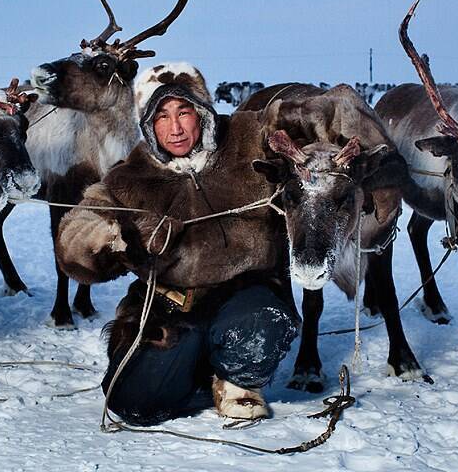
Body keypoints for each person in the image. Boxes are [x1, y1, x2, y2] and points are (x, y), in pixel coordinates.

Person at [56, 63, 299, 426]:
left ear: (201, 111)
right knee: (133, 404)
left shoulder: (248, 139)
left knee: (260, 322)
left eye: (184, 112)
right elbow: (73, 236)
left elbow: (311, 128)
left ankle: (237, 379)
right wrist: (122, 236)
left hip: (245, 293)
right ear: (148, 125)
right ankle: (201, 374)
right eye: (162, 116)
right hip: (169, 307)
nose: (176, 127)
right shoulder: (129, 177)